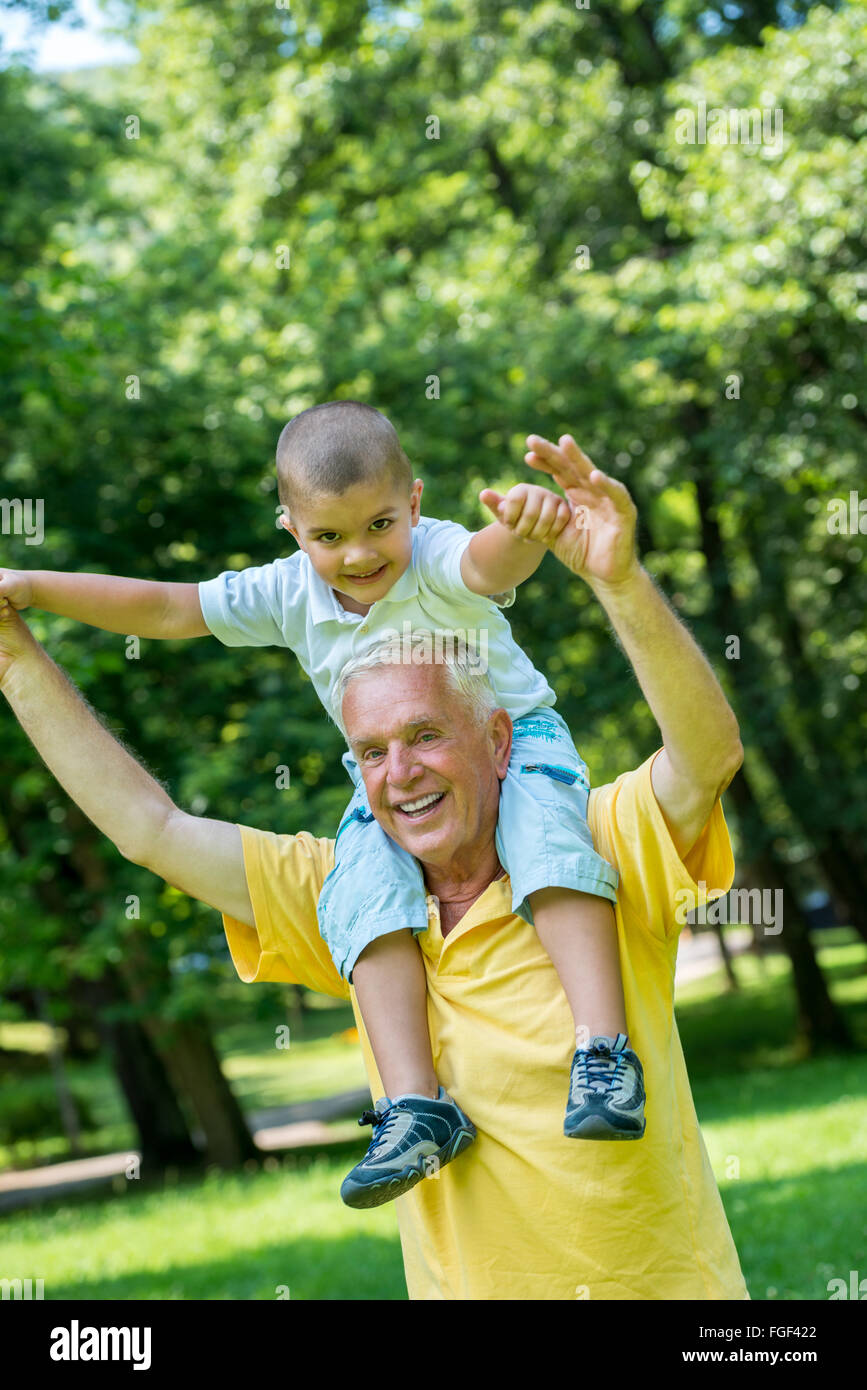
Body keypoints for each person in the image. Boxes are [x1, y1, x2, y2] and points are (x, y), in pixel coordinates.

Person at [0, 435, 748, 1300]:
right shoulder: (358, 890)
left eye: (428, 735)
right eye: (371, 751)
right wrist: (20, 630)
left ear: (491, 736)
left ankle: (602, 1051)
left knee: (550, 858)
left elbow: (704, 754)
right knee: (367, 908)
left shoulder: (595, 842)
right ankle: (413, 1110)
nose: (400, 772)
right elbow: (149, 824)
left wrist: (600, 569)